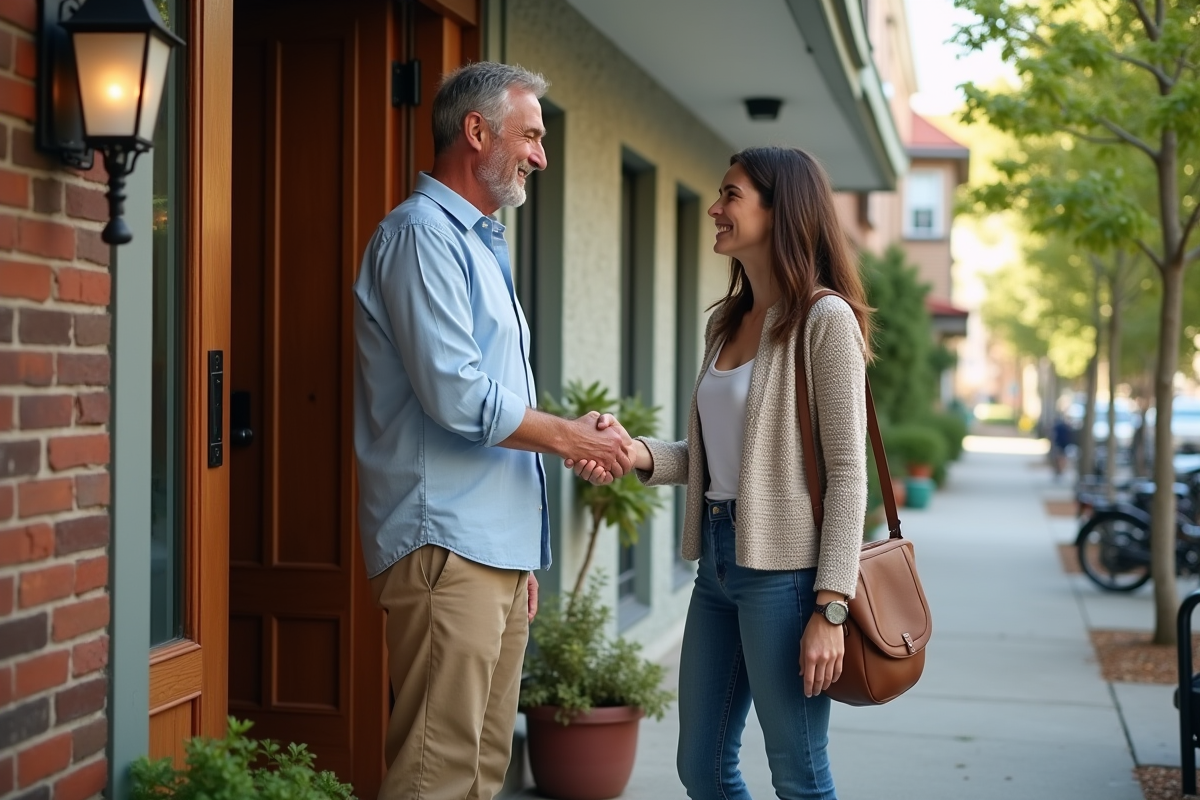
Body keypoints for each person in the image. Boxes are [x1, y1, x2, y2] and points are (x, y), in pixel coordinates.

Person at [352, 62, 631, 800]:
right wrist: (573, 438)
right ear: (476, 132)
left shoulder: (479, 242)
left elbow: (497, 395)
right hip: (446, 542)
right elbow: (460, 397)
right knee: (433, 773)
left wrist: (519, 557)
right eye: (531, 136)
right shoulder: (420, 237)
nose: (542, 155)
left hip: (492, 550)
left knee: (480, 772)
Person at [575, 146, 871, 800]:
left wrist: (831, 605)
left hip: (789, 580)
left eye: (730, 195)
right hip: (718, 566)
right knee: (701, 767)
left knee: (799, 771)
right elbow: (719, 457)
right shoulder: (727, 322)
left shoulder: (824, 320)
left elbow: (848, 475)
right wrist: (639, 455)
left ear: (778, 208)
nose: (714, 208)